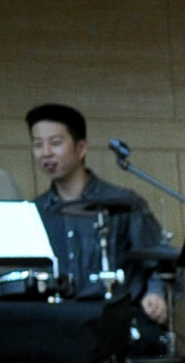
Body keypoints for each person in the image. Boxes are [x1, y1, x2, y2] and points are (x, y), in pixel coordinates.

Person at [24, 105, 171, 326]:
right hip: (57, 324)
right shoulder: (33, 212)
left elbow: (161, 262)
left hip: (117, 321)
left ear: (81, 148)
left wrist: (156, 294)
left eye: (55, 143)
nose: (46, 152)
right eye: (38, 144)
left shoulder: (123, 203)